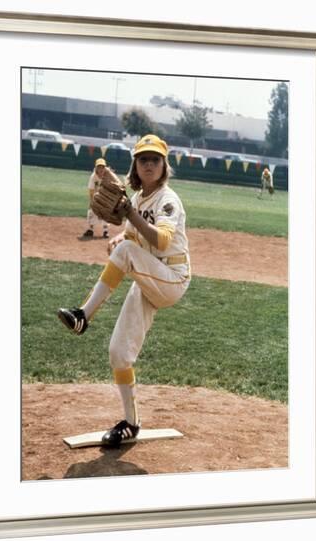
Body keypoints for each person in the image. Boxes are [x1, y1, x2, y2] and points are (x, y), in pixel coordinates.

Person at [58, 135, 191, 447]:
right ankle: (131, 423)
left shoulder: (167, 199)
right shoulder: (140, 197)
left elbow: (159, 241)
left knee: (128, 252)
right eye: (142, 159)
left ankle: (83, 316)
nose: (148, 164)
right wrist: (121, 236)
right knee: (119, 354)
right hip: (150, 279)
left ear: (164, 166)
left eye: (154, 159)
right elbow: (133, 234)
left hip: (172, 277)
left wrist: (128, 224)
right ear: (135, 164)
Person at [82, 158, 109, 239]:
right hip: (96, 196)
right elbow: (91, 190)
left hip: (106, 196)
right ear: (96, 167)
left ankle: (106, 231)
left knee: (105, 212)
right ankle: (90, 230)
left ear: (105, 167)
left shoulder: (108, 175)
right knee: (91, 211)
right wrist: (92, 202)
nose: (101, 169)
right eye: (99, 166)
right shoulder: (93, 177)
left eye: (102, 167)